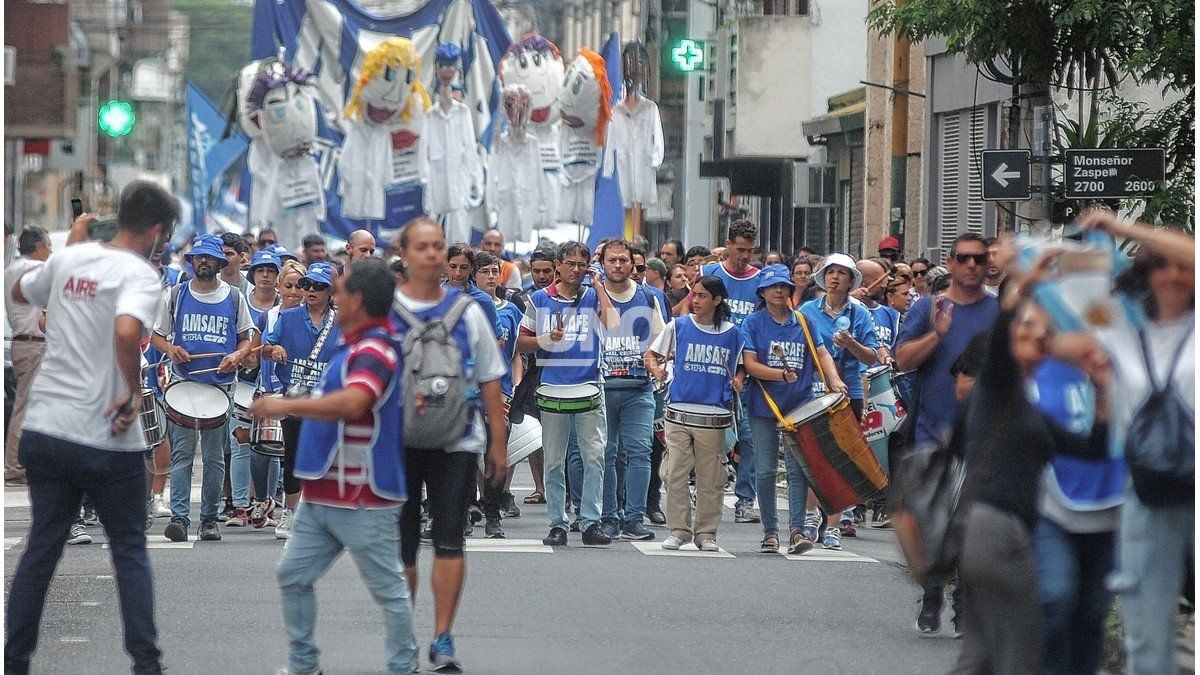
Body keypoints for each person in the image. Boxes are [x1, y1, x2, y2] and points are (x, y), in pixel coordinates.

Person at [5, 180, 177, 674]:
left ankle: (15, 660)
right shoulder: (141, 276)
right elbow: (128, 330)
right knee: (128, 550)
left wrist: (73, 249)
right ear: (158, 231)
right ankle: (146, 663)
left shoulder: (67, 259)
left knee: (42, 546)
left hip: (47, 426)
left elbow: (21, 288)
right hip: (107, 434)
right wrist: (131, 389)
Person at [251, 258, 418, 675]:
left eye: (340, 291)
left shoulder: (375, 348)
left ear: (356, 299)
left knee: (388, 591)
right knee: (292, 574)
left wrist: (284, 404)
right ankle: (304, 666)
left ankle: (403, 666)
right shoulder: (354, 343)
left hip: (364, 495)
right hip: (323, 491)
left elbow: (355, 402)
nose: (333, 297)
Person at [950, 249, 1110, 674]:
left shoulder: (1029, 407)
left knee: (982, 654)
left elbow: (1089, 449)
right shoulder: (998, 386)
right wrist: (1030, 279)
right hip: (991, 526)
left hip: (1013, 528)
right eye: (1027, 331)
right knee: (1021, 647)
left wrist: (1103, 393)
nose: (1037, 338)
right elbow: (1005, 328)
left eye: (1044, 334)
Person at [1055, 208, 1195, 675]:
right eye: (1161, 265)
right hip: (1147, 490)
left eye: (1182, 266)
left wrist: (1121, 228)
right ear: (1145, 274)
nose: (1173, 275)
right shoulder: (1119, 333)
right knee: (1145, 624)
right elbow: (1049, 334)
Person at [392, 217, 508, 672]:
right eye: (422, 246)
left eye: (438, 246)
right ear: (403, 253)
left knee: (449, 540)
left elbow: (491, 379)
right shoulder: (385, 309)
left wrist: (497, 445)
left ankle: (442, 638)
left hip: (459, 438)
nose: (433, 254)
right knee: (401, 546)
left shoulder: (470, 311)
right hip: (399, 441)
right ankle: (403, 639)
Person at [894, 232, 998, 635]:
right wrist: (937, 334)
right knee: (935, 518)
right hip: (933, 430)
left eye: (979, 259)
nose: (972, 266)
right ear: (951, 263)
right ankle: (933, 591)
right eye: (964, 259)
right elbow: (902, 360)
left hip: (983, 433)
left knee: (971, 522)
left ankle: (964, 604)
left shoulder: (999, 310)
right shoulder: (927, 306)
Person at [150, 234, 255, 542]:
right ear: (193, 261)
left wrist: (236, 355)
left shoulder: (234, 297)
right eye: (199, 257)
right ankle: (180, 518)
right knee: (182, 454)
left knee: (213, 457)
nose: (205, 261)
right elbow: (156, 336)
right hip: (183, 383)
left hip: (220, 388)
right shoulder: (175, 295)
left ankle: (208, 518)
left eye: (210, 257)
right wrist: (171, 350)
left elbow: (247, 338)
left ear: (219, 263)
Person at [518, 240, 620, 547]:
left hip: (590, 385)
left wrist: (599, 286)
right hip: (553, 387)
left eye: (582, 265)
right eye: (570, 264)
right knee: (553, 460)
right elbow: (521, 343)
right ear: (558, 266)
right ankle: (557, 522)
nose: (576, 270)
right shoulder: (539, 299)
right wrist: (545, 339)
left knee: (594, 457)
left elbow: (614, 324)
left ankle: (590, 520)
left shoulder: (592, 297)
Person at [741, 265, 845, 554]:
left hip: (800, 406)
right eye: (773, 286)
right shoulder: (752, 323)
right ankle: (770, 532)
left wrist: (834, 380)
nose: (779, 291)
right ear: (762, 292)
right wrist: (779, 375)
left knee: (799, 469)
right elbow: (750, 364)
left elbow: (821, 352)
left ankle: (797, 530)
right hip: (764, 405)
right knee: (765, 469)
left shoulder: (803, 320)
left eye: (784, 286)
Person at [645, 276, 744, 551]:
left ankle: (706, 532)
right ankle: (679, 529)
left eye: (702, 296)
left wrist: (739, 379)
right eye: (694, 295)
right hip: (678, 411)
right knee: (675, 473)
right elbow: (651, 355)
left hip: (713, 414)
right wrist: (658, 372)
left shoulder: (732, 333)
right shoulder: (678, 326)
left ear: (717, 300)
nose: (696, 300)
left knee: (710, 477)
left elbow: (741, 365)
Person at [799, 253, 886, 548]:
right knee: (814, 455)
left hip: (849, 391)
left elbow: (871, 355)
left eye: (842, 273)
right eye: (830, 272)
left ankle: (834, 523)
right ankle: (811, 516)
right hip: (814, 389)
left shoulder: (860, 313)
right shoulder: (808, 310)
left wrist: (851, 343)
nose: (835, 277)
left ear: (851, 281)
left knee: (840, 456)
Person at [262, 262, 341, 540]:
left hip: (327, 401)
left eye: (319, 287)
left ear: (331, 292)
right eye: (307, 285)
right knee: (294, 455)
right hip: (294, 398)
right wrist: (274, 350)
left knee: (327, 458)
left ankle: (323, 514)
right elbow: (266, 348)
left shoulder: (341, 322)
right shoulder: (289, 316)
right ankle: (290, 512)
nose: (310, 291)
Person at [596, 238, 664, 541]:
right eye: (612, 260)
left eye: (624, 260)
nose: (618, 266)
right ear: (603, 263)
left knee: (640, 452)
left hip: (639, 388)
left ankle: (635, 518)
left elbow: (661, 341)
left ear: (634, 263)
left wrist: (656, 364)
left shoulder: (649, 298)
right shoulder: (590, 297)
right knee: (607, 454)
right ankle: (609, 516)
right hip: (601, 389)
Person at [698, 220, 762, 523]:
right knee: (708, 434)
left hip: (746, 369)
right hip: (711, 363)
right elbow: (690, 310)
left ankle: (744, 499)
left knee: (748, 437)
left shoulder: (760, 281)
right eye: (739, 250)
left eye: (749, 251)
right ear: (728, 245)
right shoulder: (711, 274)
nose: (744, 256)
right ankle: (704, 488)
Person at [225, 249, 283, 527]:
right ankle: (239, 507)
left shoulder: (284, 304)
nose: (265, 275)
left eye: (271, 270)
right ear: (253, 273)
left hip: (271, 384)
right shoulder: (240, 301)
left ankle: (266, 505)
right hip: (243, 381)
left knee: (270, 446)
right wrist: (243, 354)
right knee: (240, 441)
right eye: (260, 270)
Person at [250, 259, 308, 529]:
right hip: (272, 389)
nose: (294, 292)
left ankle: (294, 509)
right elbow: (256, 352)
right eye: (288, 286)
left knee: (297, 454)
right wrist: (269, 352)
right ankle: (265, 500)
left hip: (304, 395)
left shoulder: (318, 317)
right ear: (279, 287)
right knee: (266, 452)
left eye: (300, 286)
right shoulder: (270, 316)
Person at [474, 251, 525, 537]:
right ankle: (468, 508)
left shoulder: (511, 310)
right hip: (468, 389)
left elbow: (517, 351)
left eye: (495, 271)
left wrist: (514, 384)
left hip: (500, 390)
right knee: (466, 454)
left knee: (496, 453)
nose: (491, 277)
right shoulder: (465, 305)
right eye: (485, 272)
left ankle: (494, 514)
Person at [4, 226, 51, 485]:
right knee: (26, 406)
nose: (51, 251)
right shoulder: (31, 270)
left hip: (24, 343)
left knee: (26, 404)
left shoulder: (13, 268)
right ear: (39, 247)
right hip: (33, 344)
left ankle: (19, 462)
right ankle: (15, 466)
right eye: (48, 246)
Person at [514, 247, 557, 504]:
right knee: (533, 430)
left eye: (546, 271)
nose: (541, 275)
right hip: (531, 371)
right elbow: (521, 338)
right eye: (536, 270)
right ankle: (540, 486)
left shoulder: (568, 297)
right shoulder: (523, 298)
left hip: (562, 371)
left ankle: (557, 487)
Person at [220, 232, 251, 296]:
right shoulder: (207, 286)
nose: (224, 258)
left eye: (229, 254)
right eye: (220, 254)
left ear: (242, 256)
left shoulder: (251, 290)